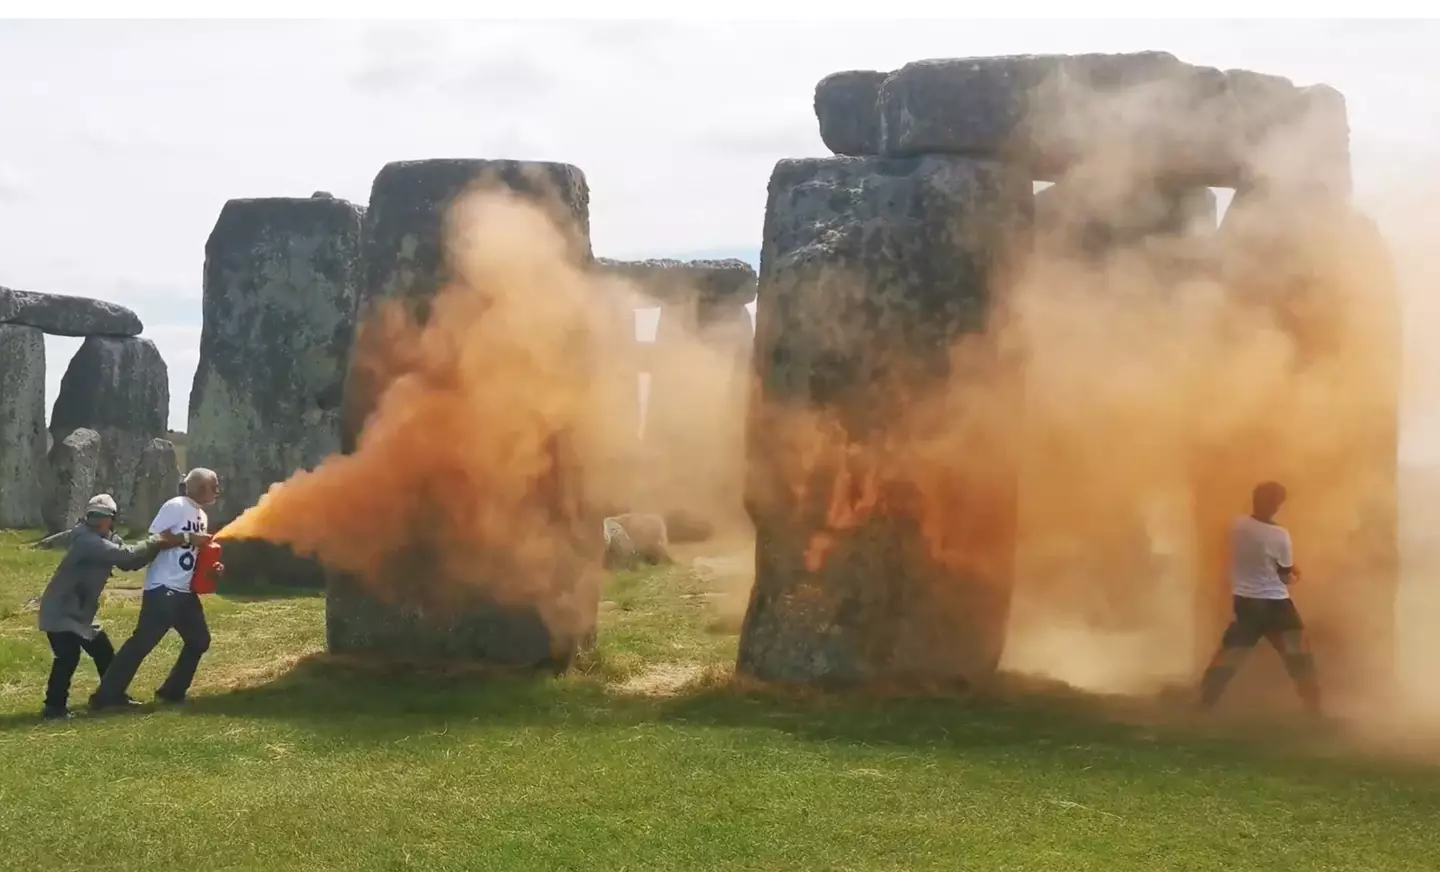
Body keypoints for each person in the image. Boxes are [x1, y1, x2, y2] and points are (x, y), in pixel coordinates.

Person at [36, 494, 184, 719]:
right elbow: (123, 554)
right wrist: (156, 541)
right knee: (67, 657)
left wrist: (160, 547)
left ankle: (112, 694)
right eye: (93, 515)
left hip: (81, 613)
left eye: (102, 516)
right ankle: (53, 707)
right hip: (61, 609)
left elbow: (130, 562)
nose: (97, 520)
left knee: (103, 651)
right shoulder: (86, 539)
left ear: (111, 519)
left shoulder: (108, 539)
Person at [89, 468, 224, 711]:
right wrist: (187, 538)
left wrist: (212, 567)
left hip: (185, 591)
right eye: (215, 486)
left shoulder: (201, 515)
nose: (218, 491)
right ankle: (105, 697)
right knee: (141, 643)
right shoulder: (176, 505)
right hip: (163, 588)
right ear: (202, 487)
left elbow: (191, 553)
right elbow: (156, 539)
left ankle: (171, 692)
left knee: (199, 641)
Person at [1197, 481, 1322, 716]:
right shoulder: (1280, 535)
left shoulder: (1237, 526)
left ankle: (1203, 704)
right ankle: (1314, 709)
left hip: (1246, 602)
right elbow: (1285, 575)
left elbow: (1253, 552)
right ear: (1277, 505)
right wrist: (1296, 575)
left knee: (1230, 654)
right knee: (1299, 656)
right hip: (1276, 603)